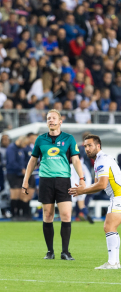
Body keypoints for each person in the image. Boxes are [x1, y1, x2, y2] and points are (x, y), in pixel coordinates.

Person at [22, 109, 84, 260]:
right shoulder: (40, 139)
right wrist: (25, 180)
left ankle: (65, 251)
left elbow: (75, 160)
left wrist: (82, 178)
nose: (51, 120)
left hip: (63, 180)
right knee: (48, 215)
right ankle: (50, 251)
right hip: (46, 180)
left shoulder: (68, 139)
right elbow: (32, 161)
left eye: (53, 118)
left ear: (60, 121)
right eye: (48, 118)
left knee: (66, 215)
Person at [69, 134, 121, 269]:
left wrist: (82, 190)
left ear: (98, 146)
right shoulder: (100, 160)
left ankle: (113, 263)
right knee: (110, 227)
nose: (87, 149)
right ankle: (114, 262)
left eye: (90, 145)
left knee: (109, 227)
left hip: (118, 196)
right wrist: (84, 190)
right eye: (85, 146)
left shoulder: (102, 160)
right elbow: (98, 185)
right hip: (116, 196)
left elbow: (102, 185)